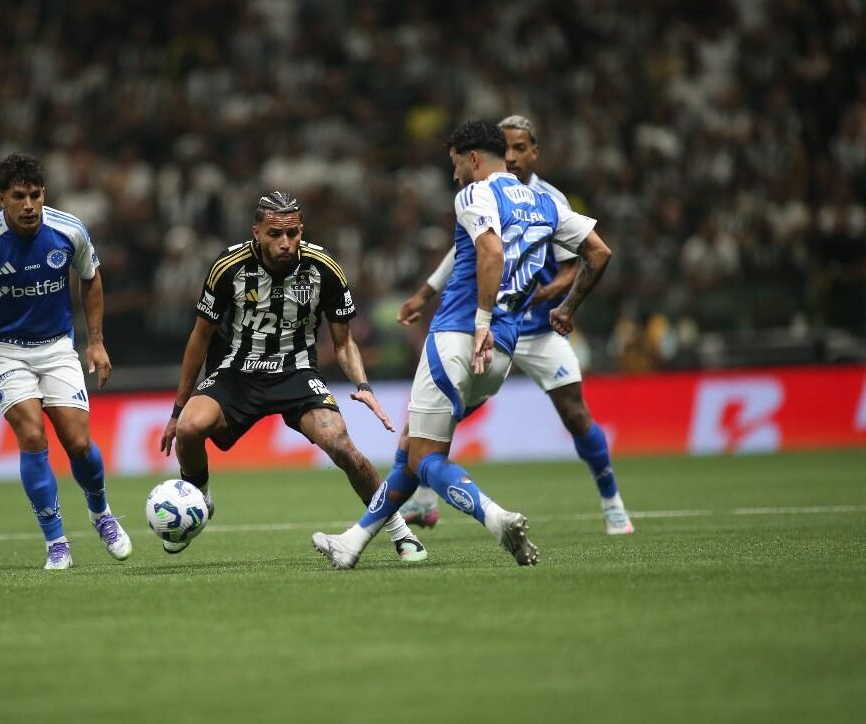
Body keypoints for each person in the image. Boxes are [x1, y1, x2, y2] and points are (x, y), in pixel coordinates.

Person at [313, 120, 612, 569]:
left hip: (459, 335)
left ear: (473, 159)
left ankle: (496, 517)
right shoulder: (544, 202)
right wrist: (568, 308)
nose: (455, 176)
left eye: (456, 164)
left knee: (427, 457)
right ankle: (352, 543)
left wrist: (480, 324)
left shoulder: (475, 194)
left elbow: (490, 253)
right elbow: (599, 252)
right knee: (414, 448)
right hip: (504, 352)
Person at [395, 115, 634, 536]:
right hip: (493, 328)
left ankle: (612, 502)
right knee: (424, 416)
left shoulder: (547, 198)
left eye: (520, 148)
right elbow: (465, 250)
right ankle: (425, 501)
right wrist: (425, 293)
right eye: (506, 148)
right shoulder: (482, 195)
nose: (512, 155)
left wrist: (557, 300)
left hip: (538, 329)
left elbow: (572, 263)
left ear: (534, 151)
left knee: (575, 413)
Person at [158, 191, 427, 561]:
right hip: (236, 373)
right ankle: (200, 502)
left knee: (344, 448)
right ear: (257, 232)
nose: (286, 243)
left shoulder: (324, 268)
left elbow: (344, 342)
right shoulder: (229, 267)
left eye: (294, 233)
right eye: (275, 234)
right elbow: (199, 337)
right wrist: (177, 409)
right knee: (189, 429)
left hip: (296, 372)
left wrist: (363, 385)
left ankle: (401, 532)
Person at [0, 152, 131, 571]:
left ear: (45, 194)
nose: (29, 205)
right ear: (1, 199)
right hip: (5, 351)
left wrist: (95, 342)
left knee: (79, 442)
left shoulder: (69, 230)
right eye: (19, 196)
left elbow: (91, 277)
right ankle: (56, 542)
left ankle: (101, 514)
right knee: (32, 437)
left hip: (57, 347)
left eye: (35, 195)